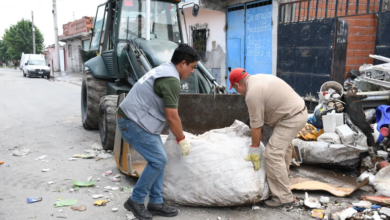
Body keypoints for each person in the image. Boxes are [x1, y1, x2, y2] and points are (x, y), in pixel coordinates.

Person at [117, 43, 199, 220]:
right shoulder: (170, 80)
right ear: (183, 63)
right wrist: (182, 139)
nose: (193, 71)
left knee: (159, 158)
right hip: (132, 121)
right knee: (158, 159)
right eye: (193, 67)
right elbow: (172, 117)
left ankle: (155, 202)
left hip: (138, 119)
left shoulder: (166, 70)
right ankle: (135, 200)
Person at [229, 68, 307, 208]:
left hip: (291, 117)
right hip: (297, 112)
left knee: (272, 154)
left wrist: (254, 149)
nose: (238, 93)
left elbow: (257, 126)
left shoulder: (252, 94)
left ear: (237, 85)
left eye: (235, 90)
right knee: (283, 149)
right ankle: (282, 186)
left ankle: (283, 197)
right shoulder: (258, 78)